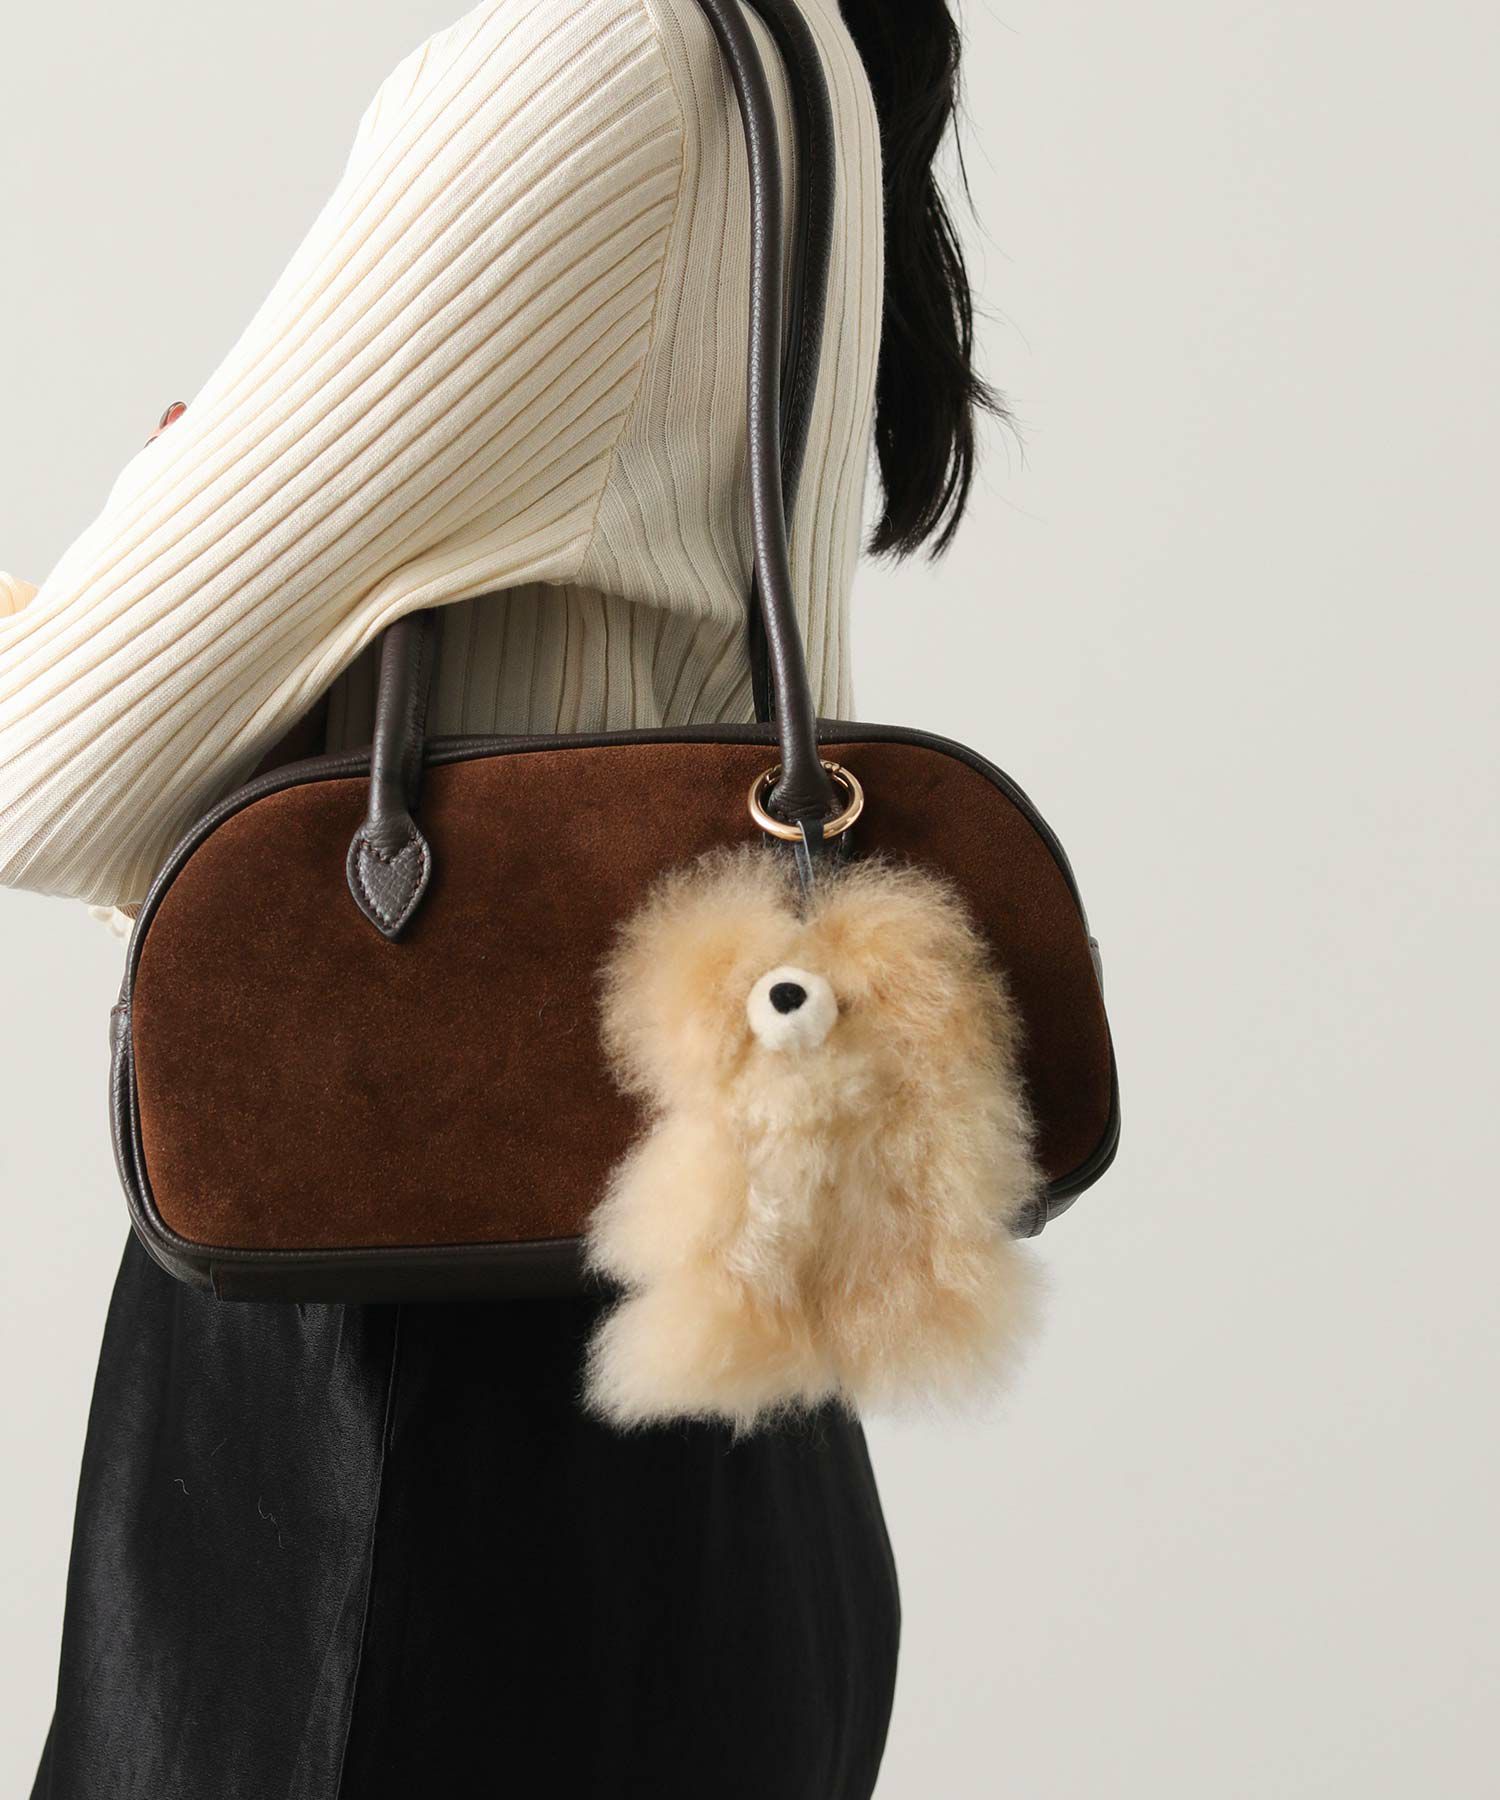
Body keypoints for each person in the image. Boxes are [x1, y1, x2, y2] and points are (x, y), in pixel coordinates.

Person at [2, 0, 1000, 1791]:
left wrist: (153, 511)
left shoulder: (592, 62)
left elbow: (38, 770)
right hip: (682, 1441)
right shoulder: (777, 56)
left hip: (400, 1473)